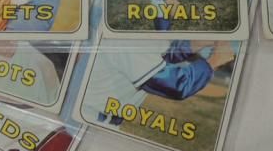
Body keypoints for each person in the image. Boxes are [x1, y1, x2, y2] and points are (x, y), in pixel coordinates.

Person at [81, 39, 235, 127]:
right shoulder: (125, 39)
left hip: (96, 118)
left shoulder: (125, 28)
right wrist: (214, 61)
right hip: (92, 121)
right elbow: (177, 86)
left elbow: (164, 55)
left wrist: (199, 43)